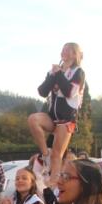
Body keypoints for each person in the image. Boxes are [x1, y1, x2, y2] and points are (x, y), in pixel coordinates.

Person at [27, 43, 86, 183]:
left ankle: (53, 185)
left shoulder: (78, 72)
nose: (63, 51)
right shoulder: (54, 70)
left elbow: (70, 92)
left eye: (67, 49)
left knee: (57, 154)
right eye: (62, 49)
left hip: (66, 117)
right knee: (33, 119)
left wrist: (59, 74)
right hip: (52, 116)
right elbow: (42, 91)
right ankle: (45, 154)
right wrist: (52, 76)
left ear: (74, 54)